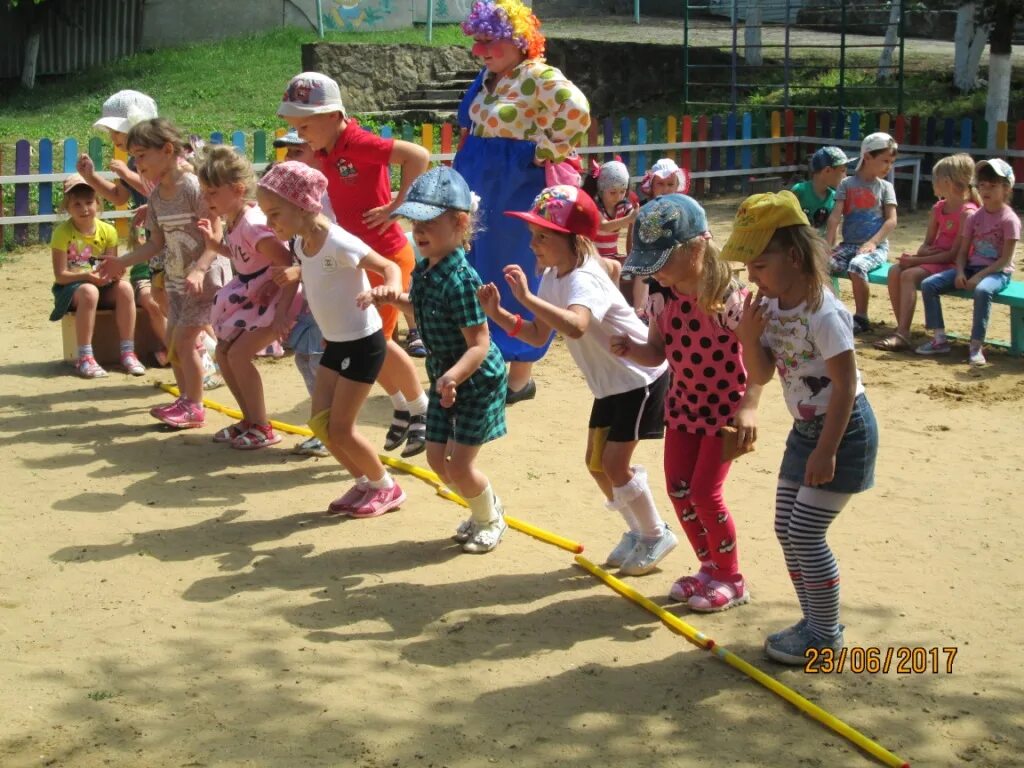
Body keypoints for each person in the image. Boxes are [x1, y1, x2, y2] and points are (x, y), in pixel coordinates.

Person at [480, 185, 676, 574]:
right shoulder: (553, 275)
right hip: (611, 384)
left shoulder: (583, 277)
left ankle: (656, 533)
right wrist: (500, 313)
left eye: (543, 236)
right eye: (533, 235)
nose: (533, 244)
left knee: (615, 464)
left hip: (640, 377)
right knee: (597, 464)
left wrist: (525, 299)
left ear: (573, 240)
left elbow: (576, 325)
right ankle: (639, 530)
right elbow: (539, 334)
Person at [726, 190, 878, 665]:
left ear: (793, 257)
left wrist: (827, 451)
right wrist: (749, 339)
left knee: (807, 533)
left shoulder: (824, 311)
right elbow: (765, 372)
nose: (752, 276)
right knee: (785, 528)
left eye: (761, 265)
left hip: (844, 431)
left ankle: (825, 632)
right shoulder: (769, 308)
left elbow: (846, 384)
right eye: (748, 267)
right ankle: (812, 620)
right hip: (806, 431)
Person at [613, 194, 761, 611]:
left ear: (696, 247)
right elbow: (657, 351)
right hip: (681, 407)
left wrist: (749, 406)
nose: (655, 271)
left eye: (661, 260)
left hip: (723, 411)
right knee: (679, 489)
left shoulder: (730, 300)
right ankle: (708, 567)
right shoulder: (662, 297)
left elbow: (755, 357)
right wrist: (632, 349)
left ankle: (731, 577)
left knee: (705, 493)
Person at [278, 72, 430, 457]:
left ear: (333, 115)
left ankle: (421, 411)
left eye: (305, 124)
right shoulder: (327, 148)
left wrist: (398, 205)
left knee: (374, 345)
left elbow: (418, 155)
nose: (300, 134)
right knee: (365, 345)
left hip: (386, 256)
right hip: (359, 259)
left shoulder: (356, 141)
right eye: (295, 125)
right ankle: (403, 406)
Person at [366, 166, 509, 553]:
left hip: (475, 380)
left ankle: (490, 519)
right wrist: (392, 299)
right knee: (435, 459)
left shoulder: (462, 279)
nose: (419, 231)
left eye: (429, 221)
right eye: (415, 221)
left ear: (460, 223)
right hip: (445, 378)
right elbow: (423, 310)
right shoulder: (427, 271)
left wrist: (453, 378)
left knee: (459, 466)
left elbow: (479, 343)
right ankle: (484, 508)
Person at [455, 0, 591, 404]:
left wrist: (539, 153)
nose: (480, 50)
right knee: (478, 268)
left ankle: (519, 378)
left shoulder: (539, 76)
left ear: (518, 41)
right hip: (481, 182)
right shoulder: (489, 77)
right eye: (477, 42)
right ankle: (484, 362)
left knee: (511, 272)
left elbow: (577, 113)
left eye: (489, 41)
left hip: (515, 185)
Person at [257, 161, 407, 518]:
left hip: (362, 342)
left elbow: (390, 266)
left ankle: (387, 487)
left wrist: (390, 290)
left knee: (340, 428)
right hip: (335, 341)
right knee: (321, 424)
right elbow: (316, 277)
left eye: (274, 212)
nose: (268, 223)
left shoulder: (338, 240)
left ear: (303, 205)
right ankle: (364, 482)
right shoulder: (300, 240)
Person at [97, 118, 232, 429]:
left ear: (168, 150)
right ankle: (186, 401)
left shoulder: (194, 187)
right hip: (176, 278)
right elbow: (156, 243)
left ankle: (195, 406)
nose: (135, 162)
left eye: (142, 154)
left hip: (204, 278)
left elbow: (216, 234)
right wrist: (123, 262)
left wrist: (199, 270)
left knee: (184, 341)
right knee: (173, 341)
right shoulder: (157, 197)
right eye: (133, 155)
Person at [196, 146, 300, 449]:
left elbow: (287, 260)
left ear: (238, 189)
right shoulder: (235, 219)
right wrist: (217, 246)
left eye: (212, 192)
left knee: (238, 355)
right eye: (205, 192)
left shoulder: (254, 223)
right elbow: (244, 257)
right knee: (224, 352)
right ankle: (251, 419)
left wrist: (278, 304)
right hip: (251, 295)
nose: (207, 199)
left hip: (275, 298)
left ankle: (263, 426)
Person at [77, 90, 170, 365]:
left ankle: (189, 353)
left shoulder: (158, 158)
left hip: (170, 242)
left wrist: (128, 174)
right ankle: (181, 351)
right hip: (150, 242)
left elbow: (162, 190)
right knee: (156, 297)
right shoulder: (133, 161)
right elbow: (119, 197)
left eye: (116, 132)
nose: (113, 139)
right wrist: (91, 177)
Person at [916, 158, 1020, 366]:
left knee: (982, 291)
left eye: (992, 185)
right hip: (972, 267)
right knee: (929, 284)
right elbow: (963, 252)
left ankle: (975, 346)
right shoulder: (974, 218)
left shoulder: (1009, 220)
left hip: (997, 272)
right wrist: (961, 271)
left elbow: (1004, 259)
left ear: (1006, 188)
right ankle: (939, 338)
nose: (985, 190)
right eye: (982, 185)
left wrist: (979, 276)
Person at [875, 153, 980, 351]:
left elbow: (953, 255)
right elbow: (926, 244)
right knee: (894, 271)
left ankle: (902, 334)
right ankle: (902, 328)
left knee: (908, 275)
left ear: (947, 182)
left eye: (935, 178)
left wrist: (915, 261)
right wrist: (918, 255)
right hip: (935, 259)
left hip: (952, 264)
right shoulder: (938, 208)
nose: (932, 183)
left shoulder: (968, 213)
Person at [49, 173, 144, 379]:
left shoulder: (108, 230)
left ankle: (128, 352)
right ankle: (85, 357)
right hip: (72, 290)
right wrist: (88, 277)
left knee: (126, 288)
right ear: (67, 207)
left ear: (98, 203)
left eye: (89, 202)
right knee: (89, 292)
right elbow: (60, 276)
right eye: (77, 204)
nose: (84, 209)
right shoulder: (62, 233)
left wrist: (116, 273)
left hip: (100, 285)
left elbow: (112, 267)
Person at [825, 132, 898, 334]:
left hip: (875, 246)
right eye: (884, 161)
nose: (888, 167)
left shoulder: (885, 187)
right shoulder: (846, 185)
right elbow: (835, 218)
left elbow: (891, 221)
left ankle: (862, 317)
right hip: (849, 244)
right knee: (822, 265)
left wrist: (873, 243)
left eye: (891, 162)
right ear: (867, 157)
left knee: (857, 267)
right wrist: (827, 246)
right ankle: (832, 311)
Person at [582, 158, 639, 303]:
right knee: (615, 268)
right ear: (601, 190)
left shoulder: (623, 206)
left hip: (612, 255)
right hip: (592, 256)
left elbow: (635, 219)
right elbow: (604, 226)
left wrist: (639, 216)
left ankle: (628, 305)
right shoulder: (595, 207)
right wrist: (629, 219)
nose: (618, 196)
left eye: (622, 191)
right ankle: (614, 304)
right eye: (613, 192)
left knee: (633, 269)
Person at [791, 146, 853, 234]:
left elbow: (833, 233)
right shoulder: (799, 191)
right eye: (842, 171)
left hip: (821, 246)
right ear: (827, 170)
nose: (845, 177)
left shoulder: (834, 198)